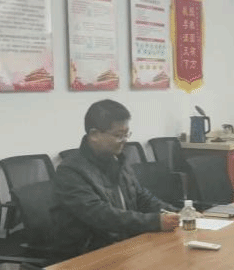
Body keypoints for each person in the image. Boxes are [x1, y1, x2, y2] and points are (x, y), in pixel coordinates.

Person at [53, 99, 180, 257]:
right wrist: (155, 221)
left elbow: (140, 197)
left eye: (127, 135)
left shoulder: (117, 159)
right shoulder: (70, 171)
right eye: (119, 136)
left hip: (125, 244)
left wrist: (176, 212)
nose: (125, 141)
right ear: (94, 135)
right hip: (88, 253)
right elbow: (101, 215)